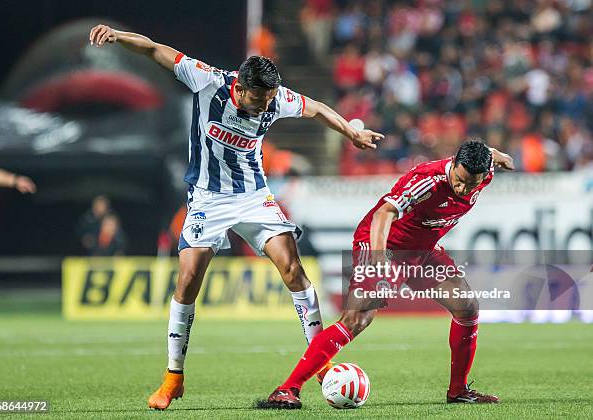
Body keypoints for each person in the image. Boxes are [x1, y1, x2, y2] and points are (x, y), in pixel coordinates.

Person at [88, 24, 384, 410]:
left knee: (293, 269)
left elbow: (314, 108)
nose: (267, 106)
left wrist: (349, 132)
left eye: (271, 99)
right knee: (189, 279)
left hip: (253, 197)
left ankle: (321, 363)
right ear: (241, 89)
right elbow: (154, 49)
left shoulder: (275, 100)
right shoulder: (208, 80)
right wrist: (118, 35)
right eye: (260, 99)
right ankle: (173, 377)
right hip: (208, 199)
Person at [259, 140, 515, 409]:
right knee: (357, 319)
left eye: (471, 184)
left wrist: (504, 157)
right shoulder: (427, 181)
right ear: (453, 164)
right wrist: (379, 262)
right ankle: (287, 389)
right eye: (460, 180)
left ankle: (459, 390)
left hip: (421, 251)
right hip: (384, 244)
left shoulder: (483, 170)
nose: (463, 188)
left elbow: (493, 154)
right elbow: (384, 214)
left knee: (467, 307)